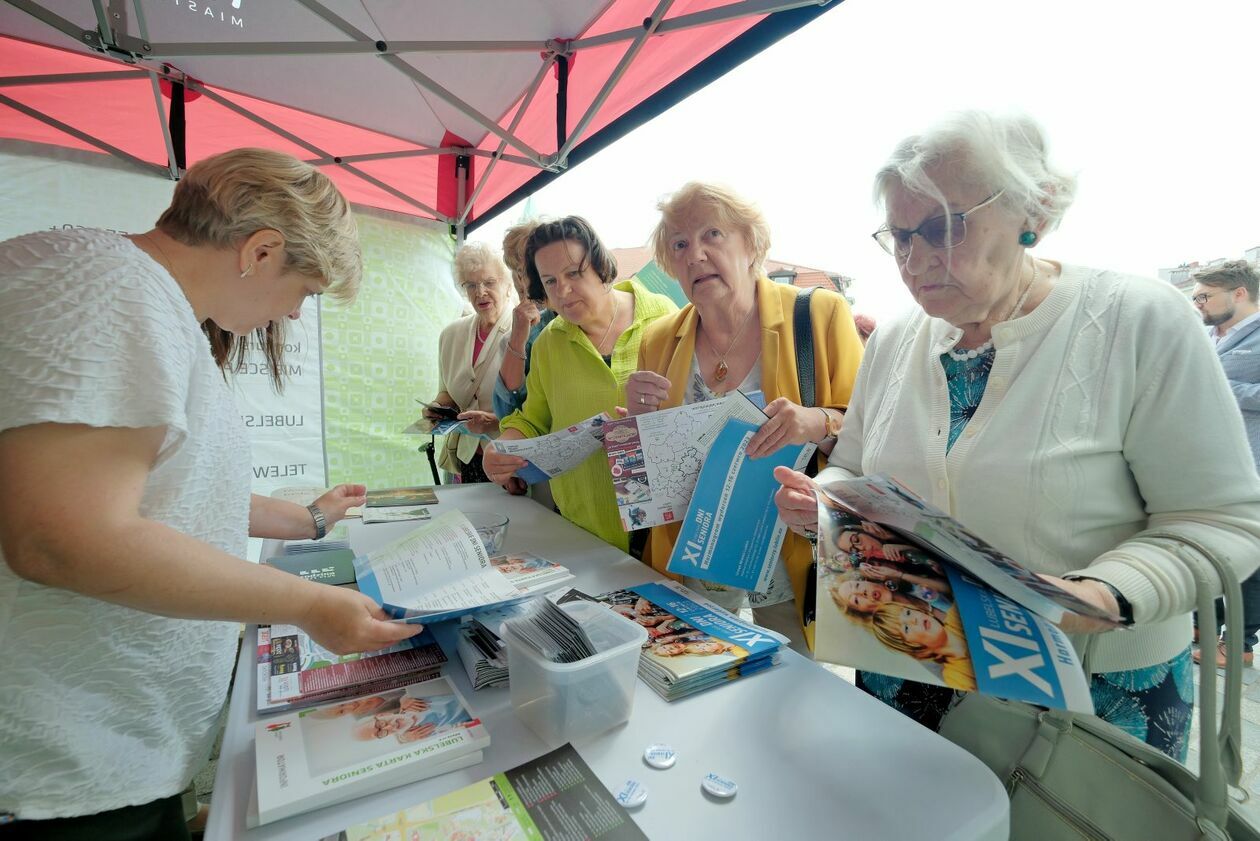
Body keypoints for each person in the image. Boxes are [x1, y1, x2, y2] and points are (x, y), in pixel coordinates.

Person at [774, 110, 1260, 761]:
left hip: (1091, 696)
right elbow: (855, 463)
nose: (914, 260)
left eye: (943, 226)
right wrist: (825, 501)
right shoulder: (894, 336)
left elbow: (1223, 518)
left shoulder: (1140, 319)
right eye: (899, 236)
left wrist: (1105, 593)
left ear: (1035, 208)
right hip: (906, 666)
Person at [0, 148, 422, 839]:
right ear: (260, 252)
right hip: (61, 765)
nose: (292, 314)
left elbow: (171, 485)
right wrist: (308, 603)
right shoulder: (112, 290)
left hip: (116, 750)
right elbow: (63, 535)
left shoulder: (146, 299)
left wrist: (307, 518)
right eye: (305, 292)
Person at [625, 182, 864, 650]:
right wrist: (636, 423)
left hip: (791, 549)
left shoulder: (818, 314)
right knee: (693, 671)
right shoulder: (657, 339)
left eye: (712, 234)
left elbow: (867, 429)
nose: (695, 254)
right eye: (679, 244)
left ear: (751, 244)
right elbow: (646, 472)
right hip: (692, 551)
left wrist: (817, 422)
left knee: (793, 684)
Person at [483, 217, 677, 552]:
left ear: (602, 266)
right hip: (581, 528)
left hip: (663, 532)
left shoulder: (666, 319)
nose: (563, 291)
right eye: (550, 281)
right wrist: (501, 448)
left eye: (574, 273)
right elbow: (531, 419)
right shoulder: (548, 343)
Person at [1191, 260, 1260, 667]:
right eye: (1196, 296)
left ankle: (1240, 645)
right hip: (1206, 465)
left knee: (1251, 557)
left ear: (1238, 293)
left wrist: (1217, 386)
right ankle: (1205, 623)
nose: (1198, 303)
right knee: (1212, 548)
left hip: (1253, 465)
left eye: (1205, 296)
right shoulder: (1203, 335)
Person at [425, 242, 515, 484]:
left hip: (509, 459)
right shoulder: (450, 335)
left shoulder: (524, 332)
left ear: (508, 284)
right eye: (471, 285)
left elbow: (538, 405)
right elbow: (447, 393)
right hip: (467, 458)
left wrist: (494, 421)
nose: (480, 292)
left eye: (489, 282)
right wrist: (436, 408)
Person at [492, 220, 557, 419]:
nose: (523, 279)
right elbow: (507, 412)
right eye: (519, 271)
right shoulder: (528, 333)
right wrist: (518, 338)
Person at [868, 603, 976, 692]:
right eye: (906, 628)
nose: (913, 620)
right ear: (909, 645)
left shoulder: (957, 613)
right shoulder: (954, 676)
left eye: (908, 612)